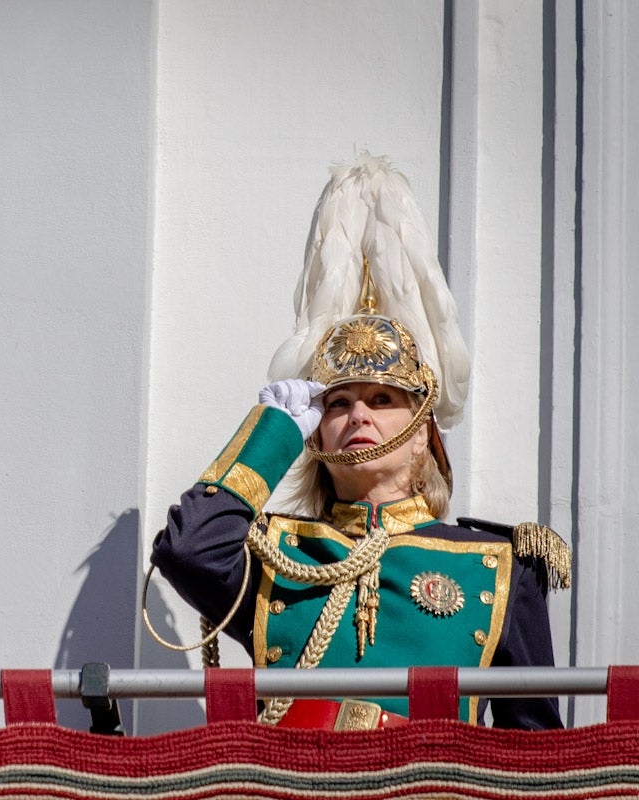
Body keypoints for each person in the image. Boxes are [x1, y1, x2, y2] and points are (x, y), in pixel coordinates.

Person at [148, 155, 570, 730]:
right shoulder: (277, 554)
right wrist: (272, 432)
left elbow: (535, 753)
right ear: (317, 430)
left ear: (423, 435)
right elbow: (187, 549)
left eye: (382, 400)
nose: (357, 415)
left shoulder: (502, 566)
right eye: (339, 403)